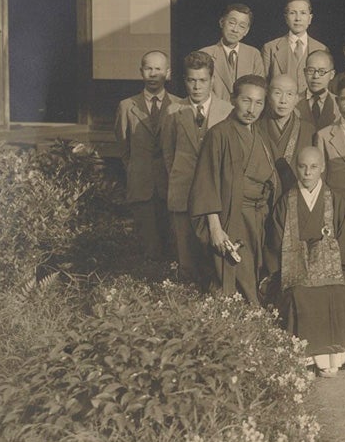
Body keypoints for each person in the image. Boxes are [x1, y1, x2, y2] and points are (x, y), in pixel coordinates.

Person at [264, 146, 345, 377]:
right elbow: (275, 242)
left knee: (338, 292)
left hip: (331, 268)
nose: (307, 172)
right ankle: (303, 358)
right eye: (302, 166)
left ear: (323, 168)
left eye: (313, 166)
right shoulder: (287, 201)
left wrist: (342, 269)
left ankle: (330, 360)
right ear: (296, 168)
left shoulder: (334, 200)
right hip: (294, 270)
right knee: (298, 294)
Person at [189, 75, 278, 305]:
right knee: (236, 277)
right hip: (231, 218)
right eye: (246, 101)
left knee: (256, 274)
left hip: (258, 219)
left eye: (259, 103)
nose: (252, 109)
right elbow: (206, 182)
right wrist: (215, 227)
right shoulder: (218, 134)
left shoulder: (260, 133)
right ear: (233, 99)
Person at [161, 51, 232, 287]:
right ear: (185, 81)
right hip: (183, 192)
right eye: (191, 80)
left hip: (215, 195)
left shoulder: (227, 111)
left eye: (202, 80)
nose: (197, 86)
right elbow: (169, 153)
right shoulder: (172, 111)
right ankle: (186, 299)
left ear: (212, 80)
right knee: (185, 255)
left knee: (213, 253)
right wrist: (181, 178)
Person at [115, 50, 182, 262]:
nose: (153, 74)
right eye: (148, 68)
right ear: (141, 72)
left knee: (171, 241)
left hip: (170, 183)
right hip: (141, 184)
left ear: (168, 73)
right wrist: (137, 170)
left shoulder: (180, 105)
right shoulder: (127, 106)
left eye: (158, 69)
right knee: (147, 245)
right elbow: (124, 148)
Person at [255, 74, 315, 191]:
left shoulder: (309, 130)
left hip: (296, 194)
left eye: (289, 94)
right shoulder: (256, 127)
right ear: (267, 95)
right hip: (261, 196)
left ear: (297, 99)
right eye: (277, 93)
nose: (283, 100)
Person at [262, 0, 329, 95]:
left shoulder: (322, 49)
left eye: (303, 13)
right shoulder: (270, 48)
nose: (298, 18)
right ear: (286, 18)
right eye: (292, 13)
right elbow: (264, 86)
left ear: (310, 18)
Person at [199, 3, 264, 100]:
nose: (235, 30)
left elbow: (259, 90)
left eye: (242, 26)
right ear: (221, 22)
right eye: (232, 23)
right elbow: (201, 91)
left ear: (246, 31)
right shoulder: (205, 54)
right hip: (215, 112)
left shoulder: (254, 55)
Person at [297, 50, 339, 132]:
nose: (315, 76)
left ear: (332, 74)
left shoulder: (339, 104)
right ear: (305, 73)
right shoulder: (293, 102)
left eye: (322, 71)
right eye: (311, 70)